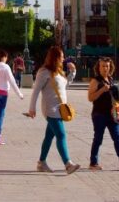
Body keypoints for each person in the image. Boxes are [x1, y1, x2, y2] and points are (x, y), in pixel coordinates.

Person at [26, 46, 80, 174]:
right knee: (61, 135)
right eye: (61, 56)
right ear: (54, 57)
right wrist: (32, 108)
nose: (63, 59)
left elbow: (64, 86)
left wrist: (73, 72)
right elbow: (36, 91)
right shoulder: (43, 72)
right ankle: (68, 164)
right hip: (50, 109)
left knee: (49, 136)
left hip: (60, 109)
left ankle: (41, 162)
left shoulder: (58, 71)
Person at [87, 57, 119, 171]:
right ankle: (93, 163)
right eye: (103, 66)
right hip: (99, 114)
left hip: (112, 114)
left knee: (117, 138)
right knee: (98, 139)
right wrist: (101, 90)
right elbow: (90, 97)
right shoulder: (95, 81)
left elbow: (114, 98)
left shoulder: (110, 79)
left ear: (110, 67)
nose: (105, 68)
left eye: (107, 66)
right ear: (98, 67)